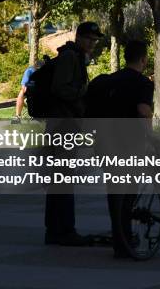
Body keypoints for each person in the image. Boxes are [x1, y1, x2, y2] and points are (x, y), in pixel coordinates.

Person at [87, 40, 153, 258]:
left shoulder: (109, 81)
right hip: (129, 143)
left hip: (104, 142)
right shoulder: (142, 82)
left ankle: (119, 238)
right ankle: (125, 238)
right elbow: (143, 111)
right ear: (143, 59)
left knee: (115, 191)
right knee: (129, 191)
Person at [45, 21, 103, 246]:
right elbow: (60, 88)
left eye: (95, 40)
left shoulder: (77, 56)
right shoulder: (70, 57)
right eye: (90, 39)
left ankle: (57, 229)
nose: (93, 43)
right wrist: (83, 93)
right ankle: (64, 229)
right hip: (63, 124)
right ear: (79, 37)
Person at [12, 56, 48, 123]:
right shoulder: (29, 71)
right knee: (21, 93)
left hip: (42, 90)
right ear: (35, 67)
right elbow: (24, 86)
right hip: (30, 90)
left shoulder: (46, 72)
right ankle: (17, 116)